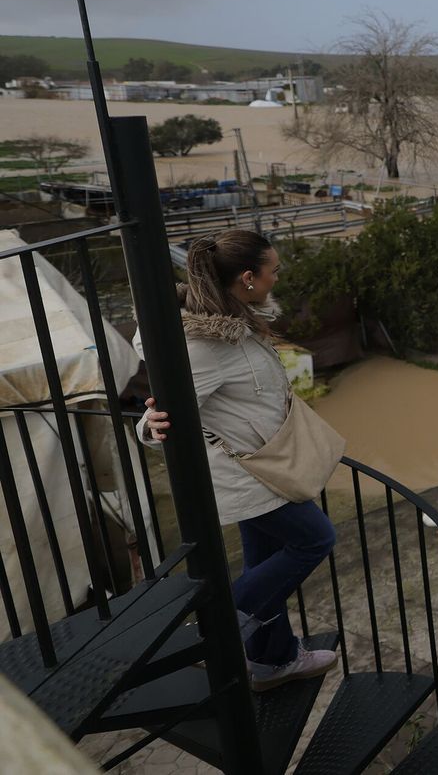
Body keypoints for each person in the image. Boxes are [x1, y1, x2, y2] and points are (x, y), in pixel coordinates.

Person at [136, 230, 337, 691]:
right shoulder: (207, 346)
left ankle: (274, 660)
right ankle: (216, 629)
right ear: (248, 277)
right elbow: (164, 410)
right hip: (250, 475)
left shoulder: (238, 320)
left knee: (262, 568)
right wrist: (151, 426)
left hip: (265, 464)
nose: (277, 277)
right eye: (274, 270)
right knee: (315, 539)